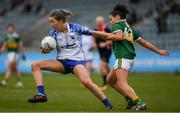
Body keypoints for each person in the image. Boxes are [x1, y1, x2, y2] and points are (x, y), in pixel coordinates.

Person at [27, 10, 113, 110]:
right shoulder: (53, 33)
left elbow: (94, 33)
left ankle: (108, 105)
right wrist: (44, 50)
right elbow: (47, 48)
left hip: (76, 62)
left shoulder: (75, 28)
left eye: (53, 21)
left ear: (61, 21)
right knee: (35, 65)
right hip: (62, 62)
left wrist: (112, 36)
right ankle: (41, 94)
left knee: (86, 82)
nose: (51, 24)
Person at [92, 4, 169, 111]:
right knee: (110, 80)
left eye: (111, 19)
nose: (110, 21)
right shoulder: (129, 27)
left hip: (123, 57)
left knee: (122, 83)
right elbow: (144, 42)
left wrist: (97, 33)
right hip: (129, 57)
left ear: (117, 17)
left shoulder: (117, 24)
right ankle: (130, 100)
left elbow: (118, 37)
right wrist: (158, 51)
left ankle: (139, 102)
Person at [0, 24, 25, 88]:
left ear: (13, 29)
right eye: (9, 29)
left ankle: (5, 81)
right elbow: (5, 46)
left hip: (15, 54)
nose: (10, 30)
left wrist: (23, 53)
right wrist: (1, 51)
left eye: (11, 28)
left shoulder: (16, 36)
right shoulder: (7, 37)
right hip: (9, 54)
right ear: (7, 29)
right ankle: (19, 82)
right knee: (15, 68)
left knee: (9, 67)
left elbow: (20, 45)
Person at [94, 16, 112, 91]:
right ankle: (114, 80)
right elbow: (95, 39)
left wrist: (105, 44)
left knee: (102, 67)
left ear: (102, 22)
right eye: (96, 22)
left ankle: (105, 84)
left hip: (107, 51)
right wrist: (95, 45)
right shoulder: (95, 30)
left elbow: (112, 40)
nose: (97, 23)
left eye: (99, 22)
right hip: (100, 52)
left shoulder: (107, 29)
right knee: (107, 68)